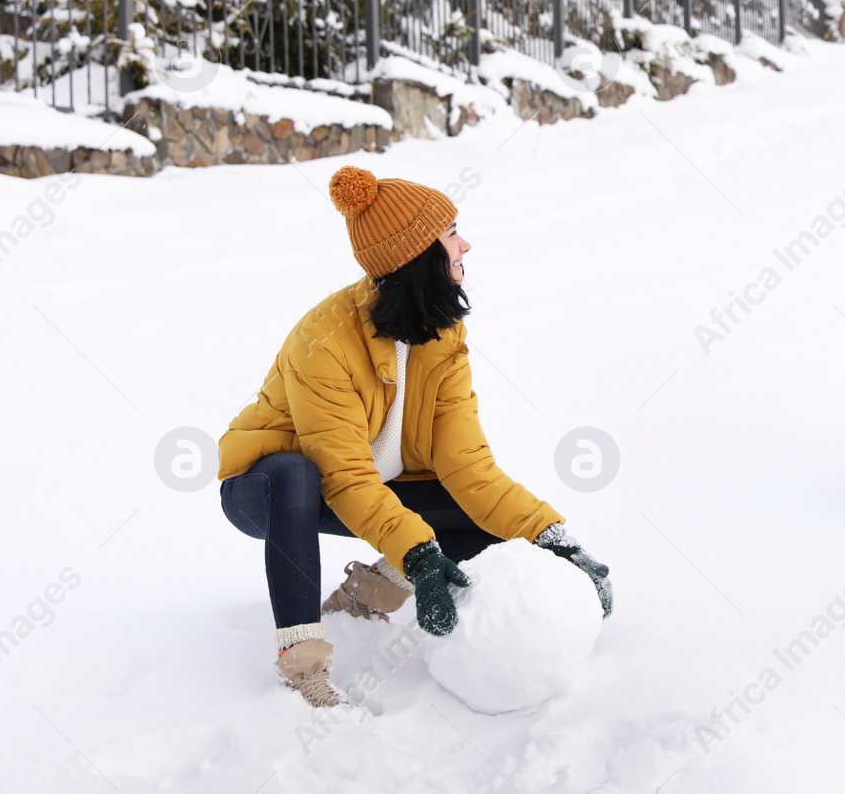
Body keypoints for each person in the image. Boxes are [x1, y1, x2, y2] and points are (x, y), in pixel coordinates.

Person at [218, 165, 611, 709]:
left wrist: (552, 537)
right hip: (267, 490)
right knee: (295, 473)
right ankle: (302, 663)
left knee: (490, 529)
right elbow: (345, 476)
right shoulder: (324, 341)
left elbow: (469, 467)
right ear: (416, 256)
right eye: (451, 234)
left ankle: (368, 594)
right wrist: (420, 555)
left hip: (366, 486)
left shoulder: (442, 334)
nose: (465, 244)